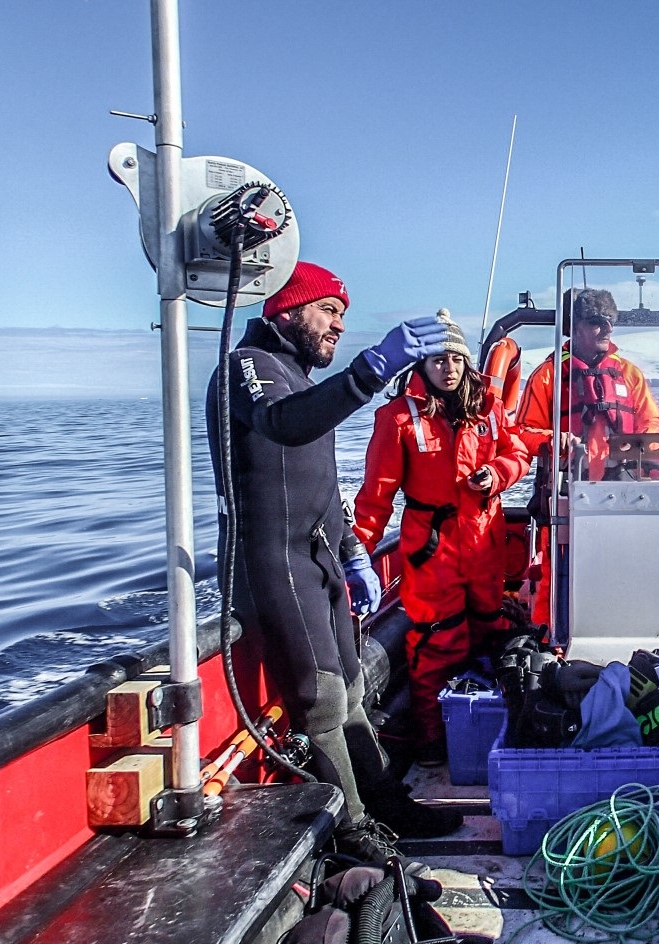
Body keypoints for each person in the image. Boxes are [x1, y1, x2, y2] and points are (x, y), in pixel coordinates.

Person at [206, 262, 464, 865]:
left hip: (318, 558)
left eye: (343, 316)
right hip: (271, 563)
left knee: (350, 688)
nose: (338, 326)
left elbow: (320, 484)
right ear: (286, 309)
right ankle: (352, 832)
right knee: (320, 699)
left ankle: (384, 801)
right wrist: (370, 370)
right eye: (327, 311)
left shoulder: (300, 379)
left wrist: (352, 552)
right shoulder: (247, 366)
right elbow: (281, 424)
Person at [352, 309, 530, 767]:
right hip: (433, 551)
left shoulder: (488, 408)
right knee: (437, 642)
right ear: (422, 365)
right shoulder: (397, 418)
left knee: (490, 630)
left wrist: (497, 473)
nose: (447, 368)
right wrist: (357, 555)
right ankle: (433, 742)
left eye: (455, 359)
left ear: (465, 362)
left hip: (484, 543)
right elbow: (376, 496)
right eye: (437, 360)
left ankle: (490, 729)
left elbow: (518, 453)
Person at [513, 288, 659, 623]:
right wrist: (555, 440)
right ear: (576, 327)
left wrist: (639, 443)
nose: (606, 329)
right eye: (597, 322)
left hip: (622, 493)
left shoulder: (629, 374)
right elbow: (522, 433)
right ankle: (551, 635)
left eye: (610, 321)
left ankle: (624, 629)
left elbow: (654, 424)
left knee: (624, 568)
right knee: (558, 573)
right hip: (565, 494)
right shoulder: (549, 375)